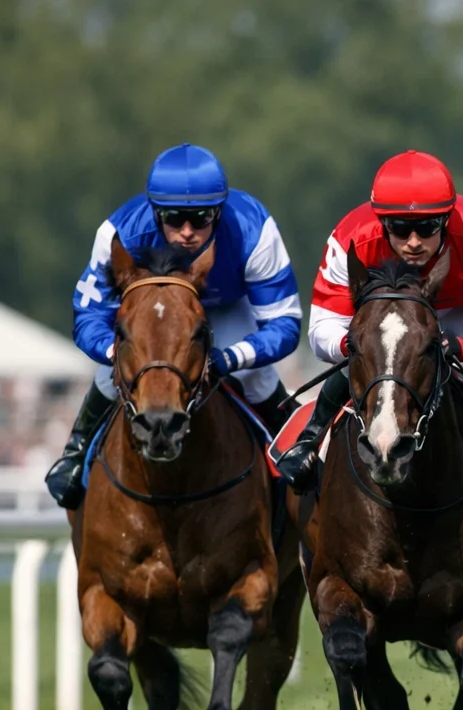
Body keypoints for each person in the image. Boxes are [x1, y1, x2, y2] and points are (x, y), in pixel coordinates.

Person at [47, 142, 301, 509]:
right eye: (172, 218)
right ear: (154, 213)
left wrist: (231, 358)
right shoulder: (119, 234)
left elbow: (284, 323)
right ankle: (75, 452)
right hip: (153, 316)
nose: (186, 231)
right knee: (110, 372)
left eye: (200, 218)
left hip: (228, 308)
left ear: (219, 210)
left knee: (256, 376)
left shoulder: (253, 229)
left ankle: (297, 453)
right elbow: (89, 316)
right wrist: (116, 351)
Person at [275, 150, 463, 491]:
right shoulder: (350, 237)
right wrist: (357, 345)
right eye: (399, 228)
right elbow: (322, 331)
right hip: (386, 321)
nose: (413, 242)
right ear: (381, 222)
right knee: (369, 353)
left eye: (427, 228)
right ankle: (309, 441)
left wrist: (461, 345)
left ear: (446, 219)